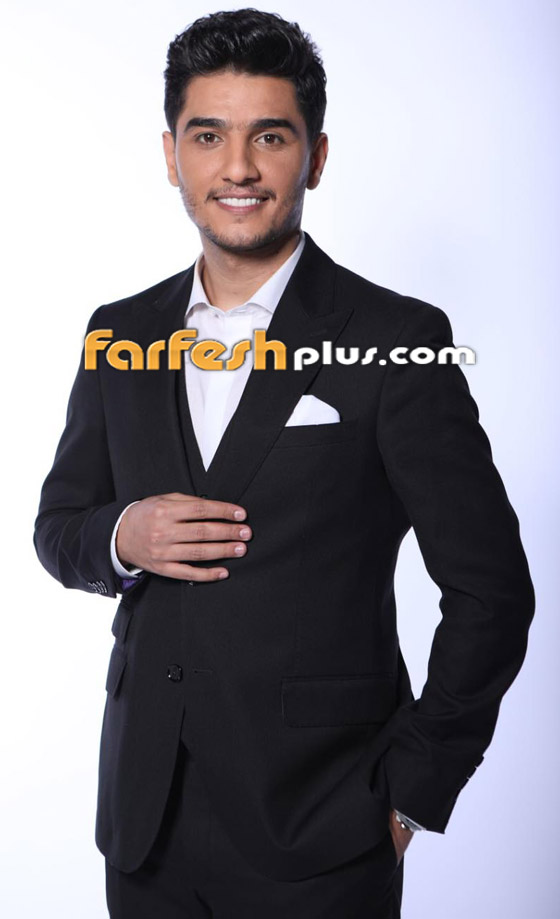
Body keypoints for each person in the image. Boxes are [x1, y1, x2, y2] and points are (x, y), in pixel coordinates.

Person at [33, 8, 535, 918]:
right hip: (144, 824)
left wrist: (413, 792)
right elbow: (59, 527)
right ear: (171, 153)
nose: (237, 167)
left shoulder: (396, 337)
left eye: (269, 136)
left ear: (316, 155)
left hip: (323, 829)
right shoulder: (118, 333)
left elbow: (492, 590)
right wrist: (121, 533)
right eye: (208, 136)